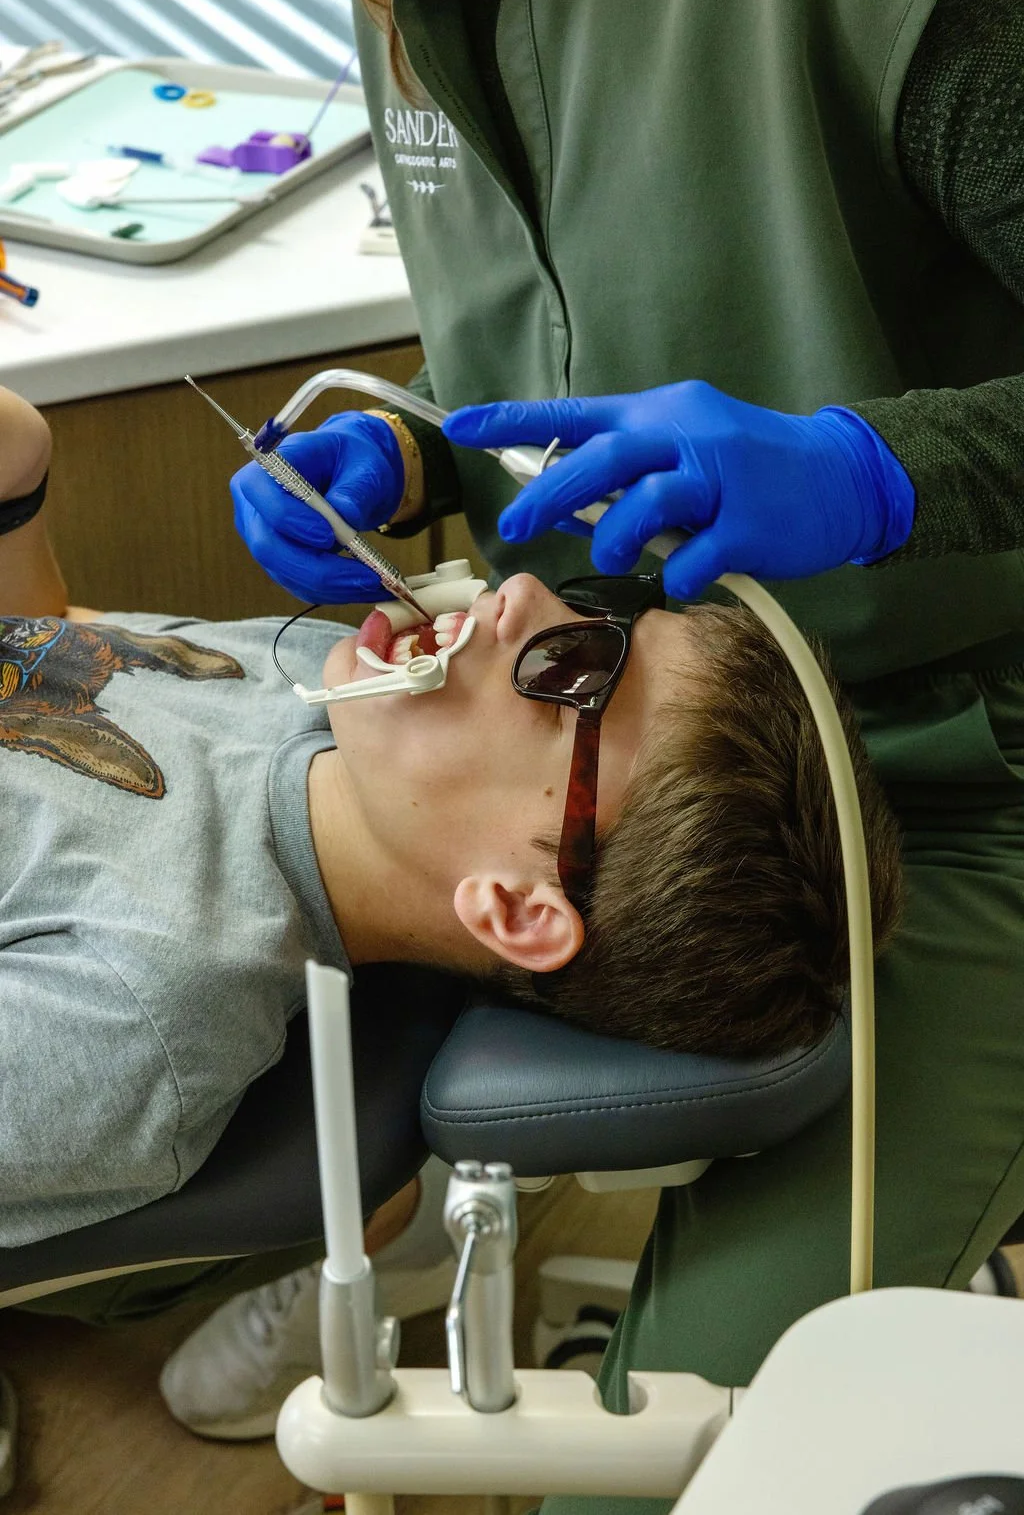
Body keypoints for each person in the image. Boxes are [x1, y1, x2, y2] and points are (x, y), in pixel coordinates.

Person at [219, 0, 1024, 1508]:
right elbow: (586, 344)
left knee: (689, 1457)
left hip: (969, 759)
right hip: (636, 735)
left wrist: (884, 473)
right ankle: (381, 1230)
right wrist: (417, 448)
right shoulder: (403, 8)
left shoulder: (903, 9)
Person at [0, 384, 899, 1432]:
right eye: (598, 609)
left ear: (519, 905)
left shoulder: (135, 1014)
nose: (518, 597)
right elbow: (50, 660)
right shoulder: (302, 680)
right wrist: (18, 484)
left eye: (571, 668)